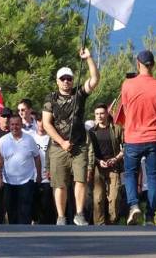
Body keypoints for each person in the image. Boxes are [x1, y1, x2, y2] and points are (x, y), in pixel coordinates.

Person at [42, 48, 99, 226]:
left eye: (69, 78)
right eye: (63, 79)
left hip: (79, 145)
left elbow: (95, 80)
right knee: (60, 184)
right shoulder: (50, 98)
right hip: (58, 147)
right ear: (57, 81)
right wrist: (62, 142)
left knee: (80, 179)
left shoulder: (79, 94)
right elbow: (46, 124)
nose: (66, 81)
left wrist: (88, 58)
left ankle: (79, 214)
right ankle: (61, 217)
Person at [119, 50, 156, 226]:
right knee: (154, 175)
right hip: (155, 137)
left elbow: (125, 111)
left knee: (131, 174)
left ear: (137, 63)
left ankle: (134, 205)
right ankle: (150, 216)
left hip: (133, 137)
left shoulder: (127, 85)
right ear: (153, 65)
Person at [0, 115, 41, 224]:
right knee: (10, 208)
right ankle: (14, 233)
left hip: (27, 180)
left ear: (21, 125)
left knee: (25, 209)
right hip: (8, 181)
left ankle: (25, 231)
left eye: (17, 124)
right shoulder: (3, 140)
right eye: (12, 124)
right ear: (9, 125)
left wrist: (39, 175)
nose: (14, 127)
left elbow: (37, 157)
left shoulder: (29, 139)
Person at [88, 103, 123, 225]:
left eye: (102, 113)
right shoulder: (91, 132)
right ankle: (99, 226)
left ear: (107, 114)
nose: (99, 116)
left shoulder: (117, 129)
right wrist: (98, 161)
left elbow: (126, 147)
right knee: (98, 199)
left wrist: (116, 158)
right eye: (97, 114)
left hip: (114, 167)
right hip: (98, 168)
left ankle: (112, 224)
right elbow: (89, 151)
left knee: (113, 198)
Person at [30, 110, 55, 224]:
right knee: (33, 206)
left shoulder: (52, 138)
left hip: (47, 176)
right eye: (38, 121)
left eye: (43, 121)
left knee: (46, 206)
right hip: (31, 177)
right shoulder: (30, 137)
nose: (41, 124)